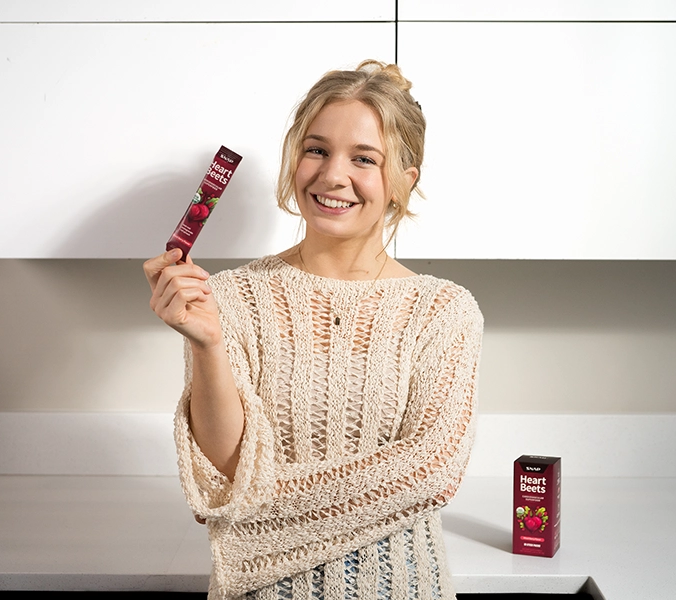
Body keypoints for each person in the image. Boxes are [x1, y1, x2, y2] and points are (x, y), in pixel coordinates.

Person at [144, 60, 484, 600]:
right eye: (316, 149)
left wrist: (249, 527)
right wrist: (207, 343)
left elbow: (432, 470)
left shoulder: (443, 310)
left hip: (399, 587)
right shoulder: (232, 296)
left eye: (364, 159)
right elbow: (228, 466)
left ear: (402, 181)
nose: (332, 176)